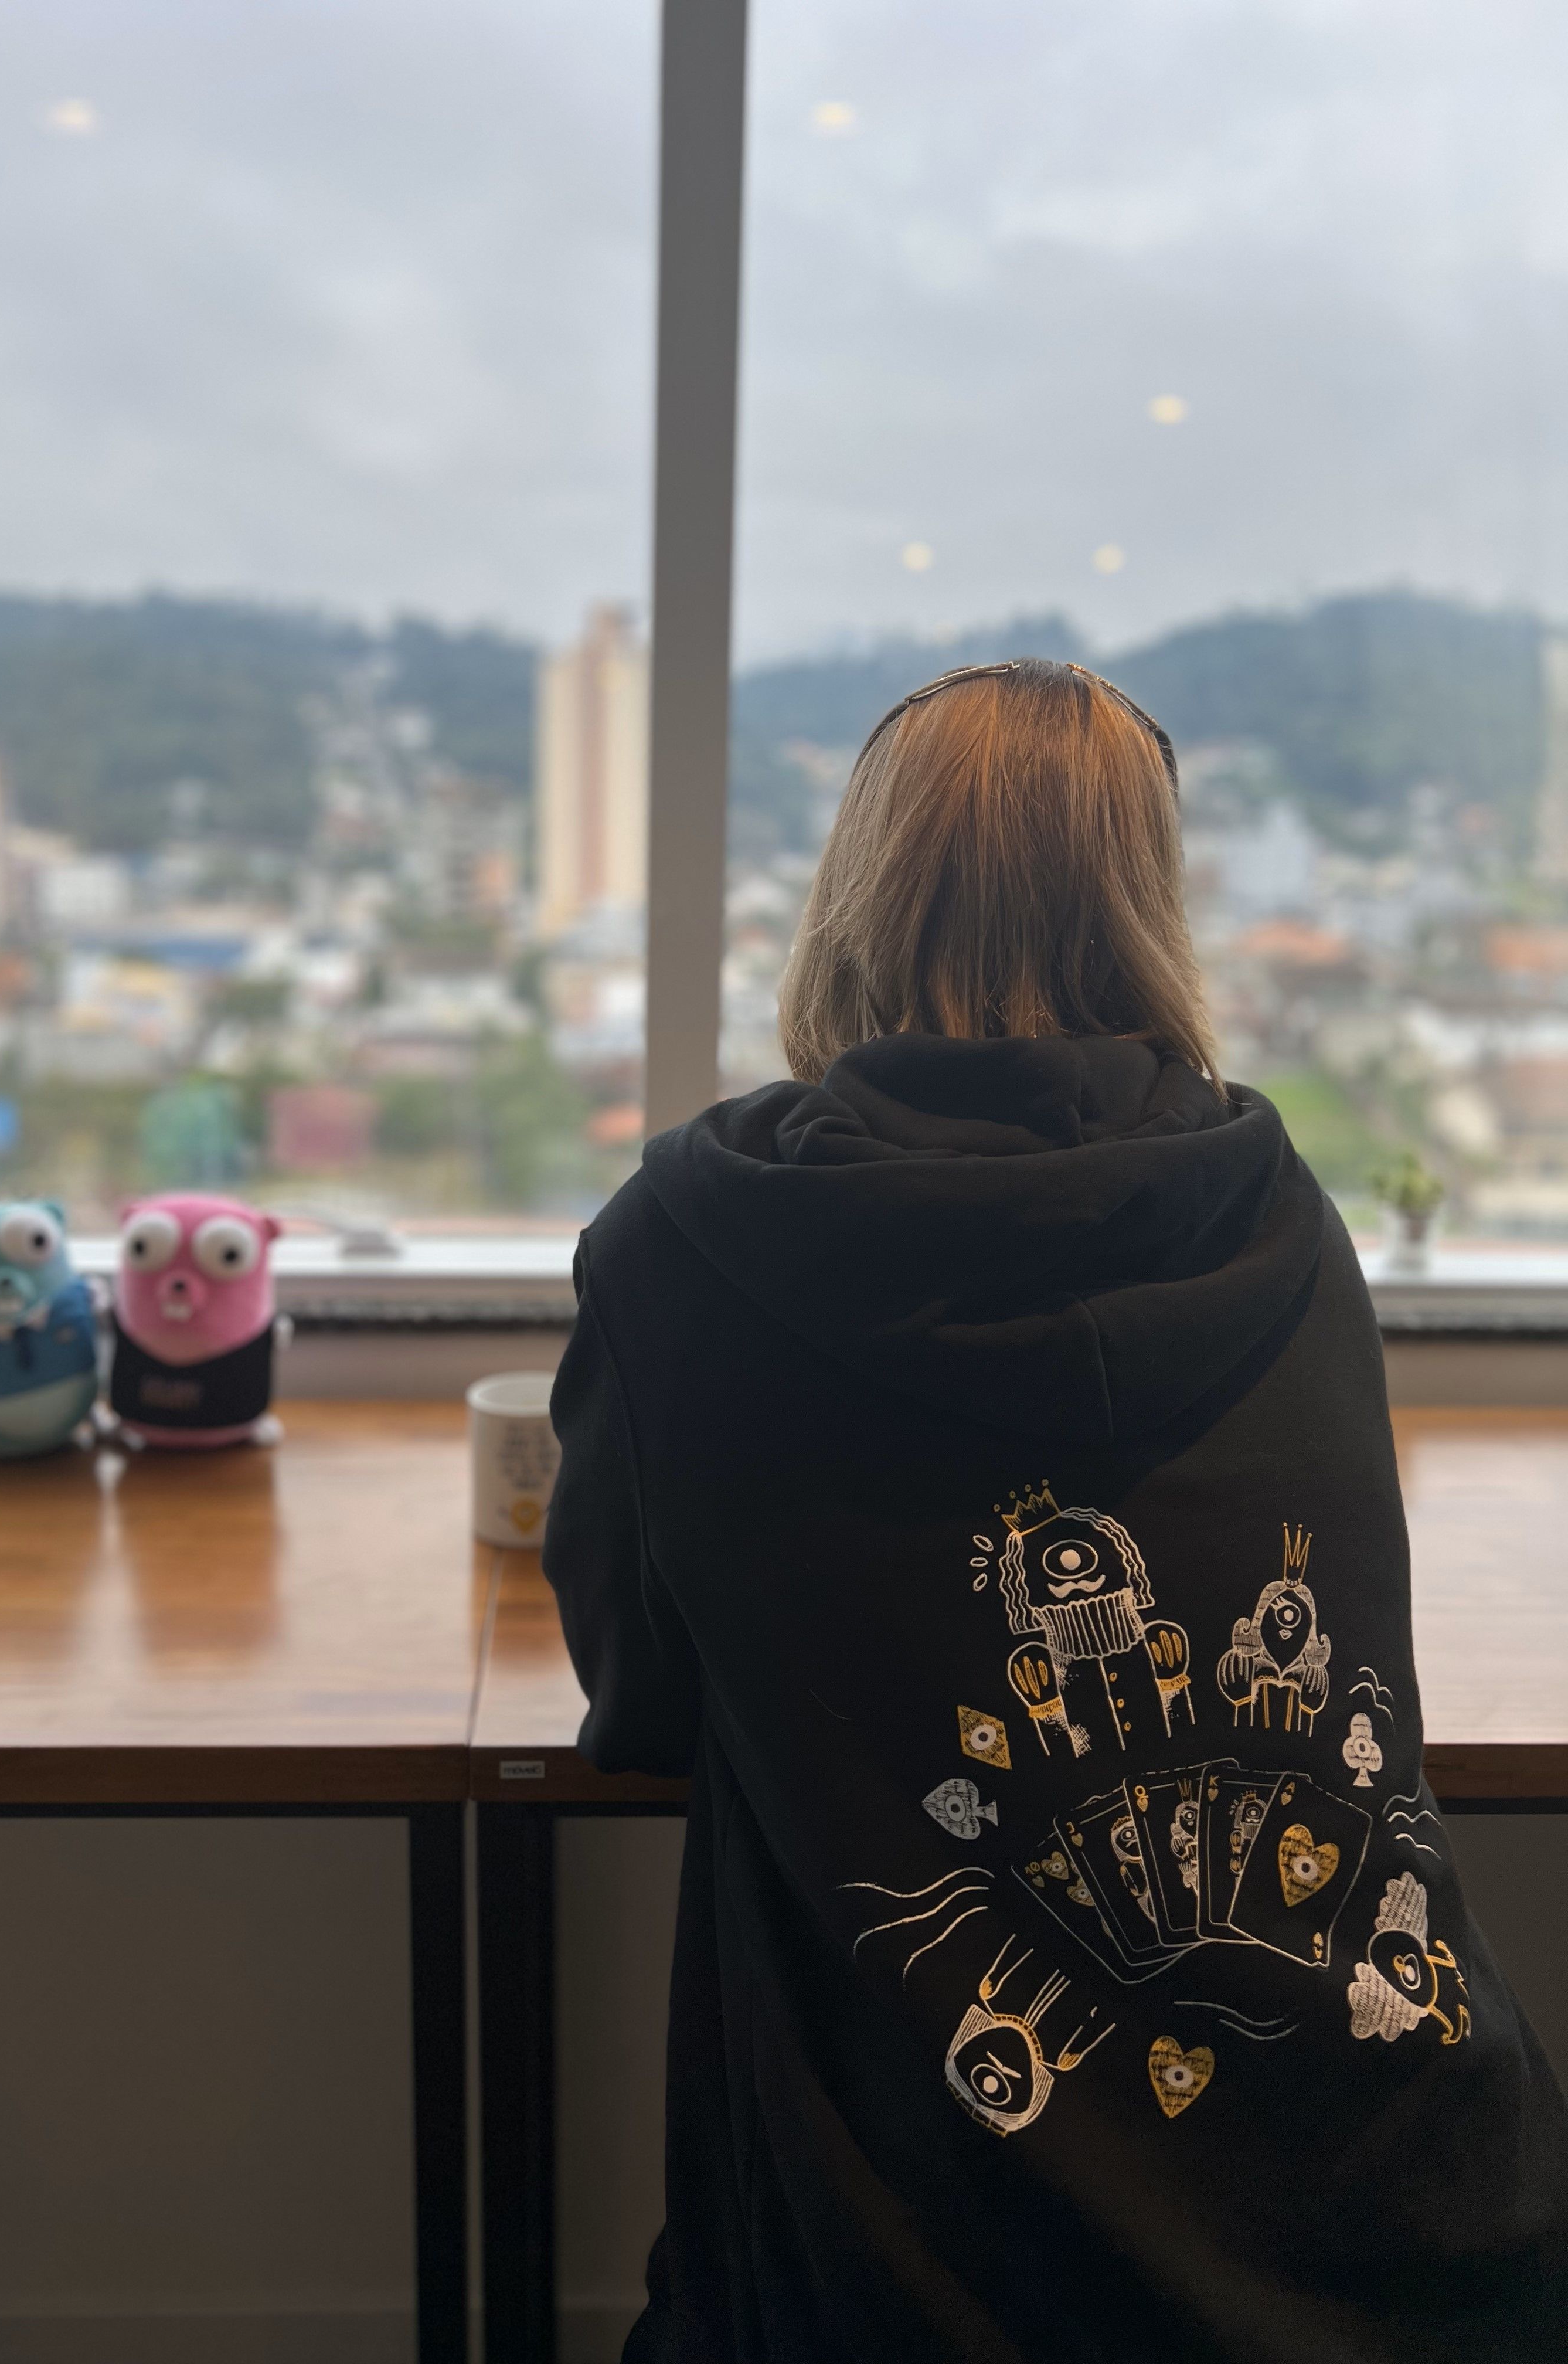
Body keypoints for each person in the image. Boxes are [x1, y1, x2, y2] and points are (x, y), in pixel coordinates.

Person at [542, 658, 1568, 2362]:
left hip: (924, 2274)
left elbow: (640, 1705)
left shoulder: (690, 1246)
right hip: (1430, 2233)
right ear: (1149, 902)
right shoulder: (1280, 1210)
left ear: (857, 889)